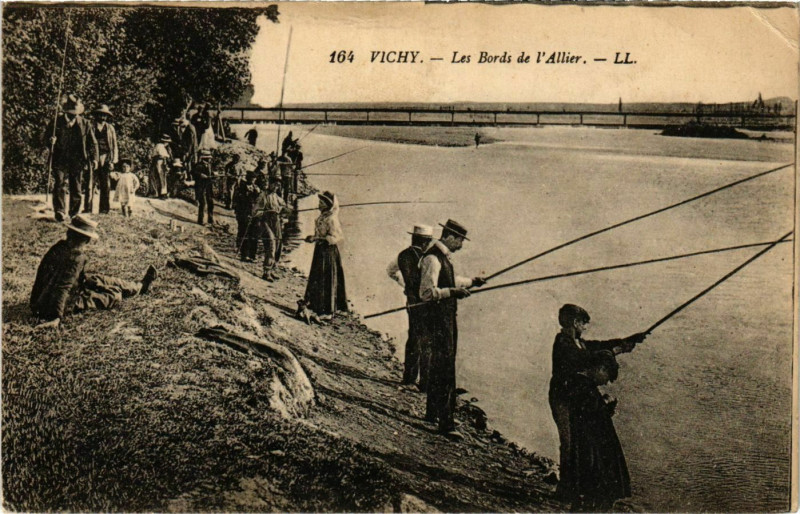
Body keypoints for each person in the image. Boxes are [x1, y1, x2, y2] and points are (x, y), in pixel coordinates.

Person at [548, 304, 647, 501]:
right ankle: (565, 488)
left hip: (574, 397)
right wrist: (617, 350)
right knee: (568, 442)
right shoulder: (563, 343)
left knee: (578, 442)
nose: (585, 328)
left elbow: (599, 346)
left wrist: (625, 342)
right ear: (575, 323)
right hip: (562, 399)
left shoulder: (579, 343)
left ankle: (575, 486)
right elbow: (586, 358)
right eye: (584, 324)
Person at [418, 220, 486, 438]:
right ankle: (446, 424)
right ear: (448, 237)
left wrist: (471, 282)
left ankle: (433, 413)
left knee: (440, 366)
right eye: (459, 240)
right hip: (439, 321)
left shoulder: (441, 257)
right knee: (445, 368)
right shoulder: (432, 258)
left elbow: (449, 279)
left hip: (445, 319)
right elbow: (427, 293)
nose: (461, 245)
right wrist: (453, 293)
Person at [30, 215, 158, 329]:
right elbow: (63, 288)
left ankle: (139, 286)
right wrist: (56, 317)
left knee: (99, 279)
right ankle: (136, 288)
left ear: (69, 233)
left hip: (40, 300)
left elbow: (42, 278)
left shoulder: (58, 247)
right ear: (87, 240)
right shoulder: (77, 258)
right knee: (114, 294)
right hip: (61, 303)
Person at [565, 350, 631, 511]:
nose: (606, 382)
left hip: (592, 445)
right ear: (600, 368)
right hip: (593, 448)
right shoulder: (583, 386)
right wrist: (606, 405)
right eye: (607, 377)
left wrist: (603, 405)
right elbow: (590, 415)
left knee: (593, 491)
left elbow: (589, 412)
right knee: (599, 490)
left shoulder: (581, 384)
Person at [387, 224, 434, 390]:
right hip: (425, 304)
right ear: (425, 242)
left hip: (411, 302)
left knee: (413, 337)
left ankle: (408, 378)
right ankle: (425, 382)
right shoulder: (427, 258)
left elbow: (390, 271)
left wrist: (405, 286)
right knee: (427, 341)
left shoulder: (403, 255)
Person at [45, 94, 98, 221]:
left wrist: (95, 158)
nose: (74, 115)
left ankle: (74, 212)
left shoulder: (85, 123)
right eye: (71, 113)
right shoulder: (56, 122)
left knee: (76, 185)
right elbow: (46, 137)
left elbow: (93, 142)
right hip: (60, 157)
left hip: (77, 158)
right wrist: (50, 141)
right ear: (66, 112)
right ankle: (60, 211)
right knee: (59, 184)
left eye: (76, 113)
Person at [302, 191, 347, 319]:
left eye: (321, 203)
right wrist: (313, 238)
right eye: (319, 202)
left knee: (326, 277)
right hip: (320, 250)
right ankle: (316, 306)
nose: (319, 205)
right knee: (318, 276)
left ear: (328, 205)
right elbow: (318, 235)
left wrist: (319, 239)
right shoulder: (321, 217)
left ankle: (327, 310)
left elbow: (336, 237)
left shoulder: (332, 219)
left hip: (328, 251)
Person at [251, 180, 291, 281]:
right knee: (271, 244)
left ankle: (272, 270)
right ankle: (266, 272)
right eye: (273, 184)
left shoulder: (276, 196)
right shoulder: (262, 196)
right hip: (265, 222)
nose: (275, 187)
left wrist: (285, 210)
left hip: (276, 222)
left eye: (277, 185)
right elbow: (254, 211)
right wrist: (266, 212)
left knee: (278, 244)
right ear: (269, 184)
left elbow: (283, 206)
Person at [88, 104, 118, 214]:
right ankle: (88, 207)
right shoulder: (91, 126)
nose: (102, 117)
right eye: (100, 115)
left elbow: (114, 145)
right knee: (90, 183)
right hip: (93, 157)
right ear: (96, 115)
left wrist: (113, 161)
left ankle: (104, 209)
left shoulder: (110, 128)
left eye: (104, 115)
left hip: (106, 157)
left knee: (106, 184)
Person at [234, 170, 260, 260]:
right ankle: (244, 254)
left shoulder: (256, 188)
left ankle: (252, 255)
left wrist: (257, 193)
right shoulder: (241, 188)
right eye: (252, 179)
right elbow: (240, 202)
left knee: (254, 234)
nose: (253, 180)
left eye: (254, 179)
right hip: (243, 214)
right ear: (248, 179)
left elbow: (259, 201)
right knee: (243, 233)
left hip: (254, 214)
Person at [192, 149, 215, 226]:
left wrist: (214, 175)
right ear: (205, 158)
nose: (210, 159)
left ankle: (210, 219)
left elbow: (211, 175)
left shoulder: (209, 166)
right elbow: (193, 173)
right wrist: (200, 175)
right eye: (209, 158)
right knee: (203, 203)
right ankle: (200, 220)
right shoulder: (198, 165)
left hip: (208, 186)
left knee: (211, 202)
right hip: (200, 186)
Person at [150, 134, 172, 198]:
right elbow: (163, 155)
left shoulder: (159, 146)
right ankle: (161, 193)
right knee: (160, 177)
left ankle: (160, 192)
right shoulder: (160, 146)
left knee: (160, 177)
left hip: (159, 162)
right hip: (159, 162)